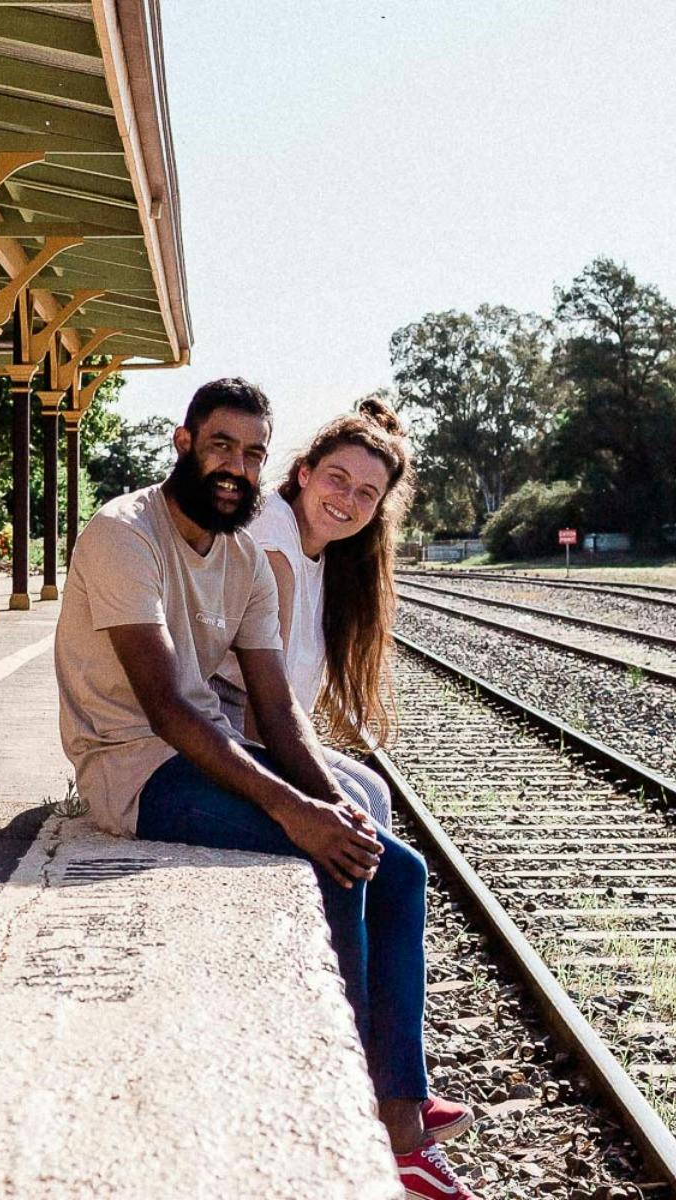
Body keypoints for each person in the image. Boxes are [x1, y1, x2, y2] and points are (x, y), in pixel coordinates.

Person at [54, 379, 477, 1199]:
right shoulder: (122, 534)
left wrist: (332, 801)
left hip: (198, 754)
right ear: (184, 443)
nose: (236, 467)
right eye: (221, 446)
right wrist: (299, 814)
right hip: (131, 768)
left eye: (251, 454)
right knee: (330, 856)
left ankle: (402, 1122)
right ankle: (349, 1103)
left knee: (399, 867)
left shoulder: (244, 552)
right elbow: (171, 708)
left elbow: (279, 713)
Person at [211, 397, 417, 831]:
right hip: (225, 718)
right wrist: (289, 802)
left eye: (366, 493)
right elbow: (264, 697)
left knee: (373, 793)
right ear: (305, 473)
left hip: (270, 724)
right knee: (357, 812)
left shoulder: (331, 559)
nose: (347, 499)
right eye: (337, 479)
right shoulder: (274, 534)